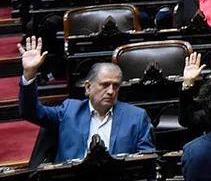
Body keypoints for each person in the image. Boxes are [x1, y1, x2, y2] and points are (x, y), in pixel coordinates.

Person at [18, 41, 155, 162]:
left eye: (115, 86)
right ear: (88, 87)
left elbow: (147, 159)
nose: (111, 91)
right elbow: (30, 112)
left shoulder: (136, 117)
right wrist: (29, 73)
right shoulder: (69, 110)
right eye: (105, 85)